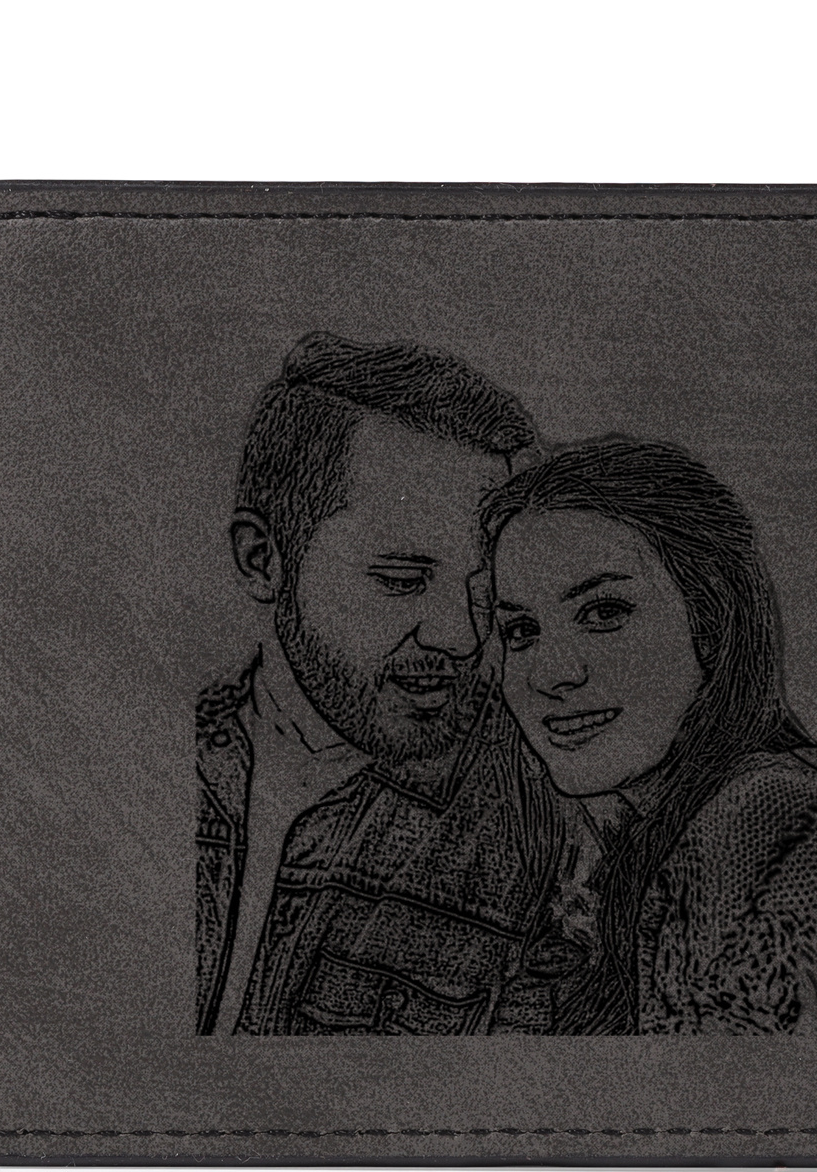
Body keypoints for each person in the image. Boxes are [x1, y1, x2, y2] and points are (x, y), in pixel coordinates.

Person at [198, 331, 564, 1036]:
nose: (461, 637)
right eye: (401, 581)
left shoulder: (540, 830)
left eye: (486, 592)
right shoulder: (151, 761)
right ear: (263, 560)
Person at [479, 440, 817, 1035]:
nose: (551, 674)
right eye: (521, 630)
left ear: (711, 619)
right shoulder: (652, 839)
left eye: (604, 612)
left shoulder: (792, 831)